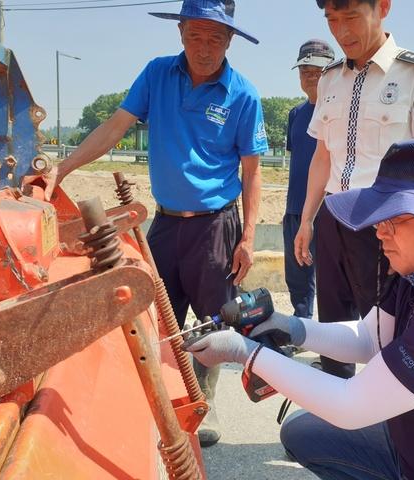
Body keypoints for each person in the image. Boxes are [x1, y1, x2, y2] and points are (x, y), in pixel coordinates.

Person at [183, 140, 414, 479]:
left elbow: (350, 405)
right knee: (304, 432)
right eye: (379, 218)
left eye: (396, 219)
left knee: (335, 417)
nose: (379, 232)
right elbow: (369, 337)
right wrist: (292, 327)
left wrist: (244, 352)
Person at [37, 0, 268, 447]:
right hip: (164, 223)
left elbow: (252, 170)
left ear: (230, 40)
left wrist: (249, 237)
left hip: (215, 225)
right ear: (181, 32)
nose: (204, 48)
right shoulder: (157, 74)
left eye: (215, 38)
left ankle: (204, 397)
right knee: (159, 314)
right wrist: (60, 171)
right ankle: (160, 395)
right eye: (196, 35)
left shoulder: (243, 94)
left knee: (211, 320)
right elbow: (114, 127)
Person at [294, 0, 414, 379]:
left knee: (385, 325)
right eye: (332, 20)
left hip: (387, 221)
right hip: (335, 216)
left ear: (382, 8)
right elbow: (323, 155)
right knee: (333, 320)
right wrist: (307, 219)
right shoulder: (331, 77)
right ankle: (336, 409)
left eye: (350, 17)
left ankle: (388, 421)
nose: (341, 31)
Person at [284, 39, 335, 319]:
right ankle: (301, 329)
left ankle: (335, 348)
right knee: (297, 275)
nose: (310, 76)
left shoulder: (340, 113)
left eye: (318, 71)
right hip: (295, 208)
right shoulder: (296, 114)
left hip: (328, 210)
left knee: (331, 280)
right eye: (305, 71)